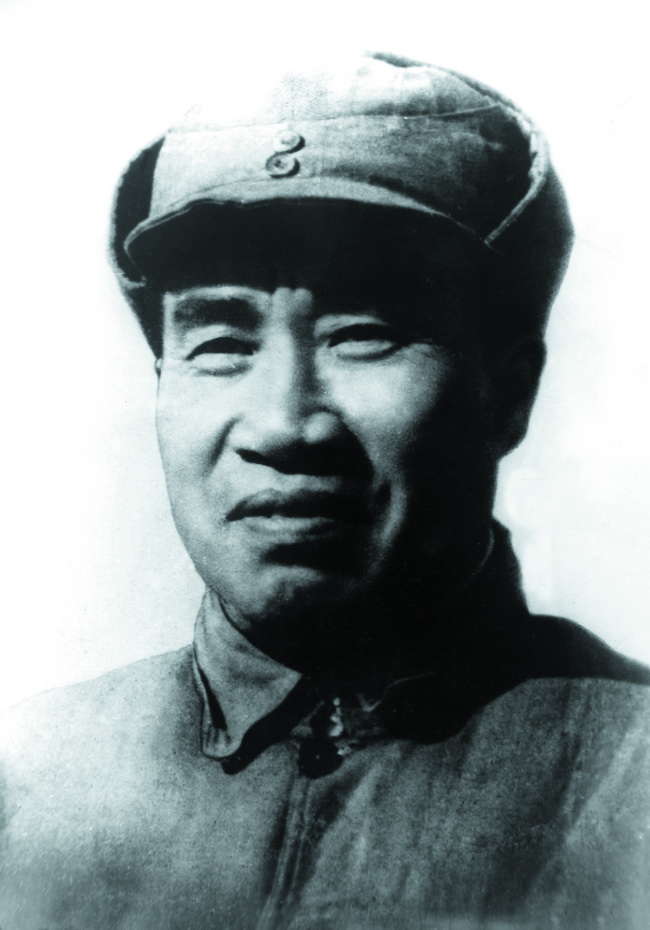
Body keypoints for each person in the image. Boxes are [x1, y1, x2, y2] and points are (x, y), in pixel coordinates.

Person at [1, 52, 648, 930]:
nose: (283, 424)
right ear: (161, 381)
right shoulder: (24, 781)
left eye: (367, 334)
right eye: (220, 344)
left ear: (508, 393)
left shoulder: (630, 779)